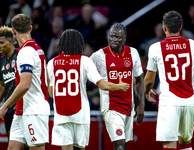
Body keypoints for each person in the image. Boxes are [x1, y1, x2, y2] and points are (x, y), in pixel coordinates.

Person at [47, 29, 130, 150]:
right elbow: (103, 85)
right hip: (80, 113)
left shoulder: (51, 63)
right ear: (79, 44)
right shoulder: (85, 61)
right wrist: (119, 86)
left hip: (61, 114)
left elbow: (51, 93)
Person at [144, 10, 194, 150]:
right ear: (180, 27)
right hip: (190, 102)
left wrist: (147, 91)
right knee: (186, 143)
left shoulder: (156, 48)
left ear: (164, 28)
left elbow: (149, 79)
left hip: (169, 102)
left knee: (169, 144)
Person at [90, 23, 145, 150]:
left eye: (118, 37)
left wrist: (141, 104)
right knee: (119, 145)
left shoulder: (133, 53)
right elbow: (84, 70)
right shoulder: (99, 56)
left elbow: (140, 79)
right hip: (111, 106)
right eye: (112, 36)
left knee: (123, 146)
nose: (114, 39)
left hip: (128, 106)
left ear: (124, 38)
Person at [0, 14, 50, 150]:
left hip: (33, 111)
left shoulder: (26, 52)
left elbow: (24, 85)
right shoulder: (37, 49)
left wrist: (4, 107)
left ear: (14, 31)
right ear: (31, 28)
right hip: (22, 111)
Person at [0, 26, 17, 140]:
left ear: (10, 41)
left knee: (27, 145)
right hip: (9, 109)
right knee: (12, 143)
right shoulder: (1, 61)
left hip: (23, 108)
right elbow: (2, 86)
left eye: (1, 43)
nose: (0, 46)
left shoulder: (21, 56)